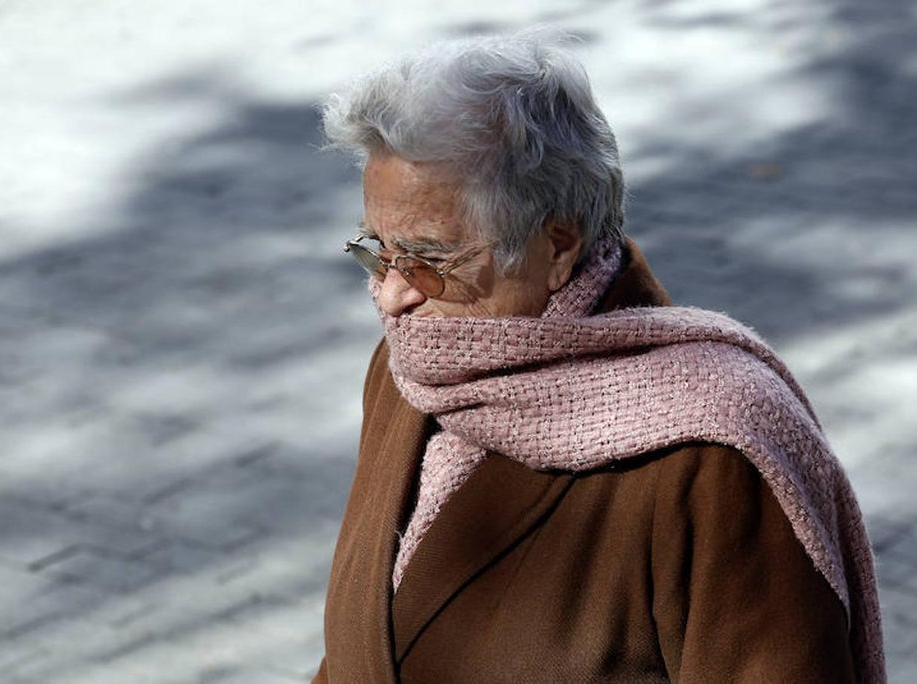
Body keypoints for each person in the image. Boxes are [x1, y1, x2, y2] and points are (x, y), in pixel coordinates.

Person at [313, 29, 884, 683]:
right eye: (377, 249)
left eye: (430, 258)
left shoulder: (711, 455)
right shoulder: (408, 370)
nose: (391, 294)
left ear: (557, 246)